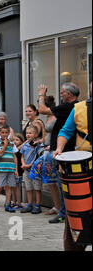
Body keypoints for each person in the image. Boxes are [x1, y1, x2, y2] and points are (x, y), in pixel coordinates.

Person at [53, 80, 92, 251]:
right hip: (81, 168)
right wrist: (59, 148)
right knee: (76, 209)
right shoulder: (80, 108)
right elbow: (66, 131)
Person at [37, 83, 79, 224]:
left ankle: (64, 213)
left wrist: (42, 94)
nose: (61, 94)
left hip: (64, 153)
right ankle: (64, 212)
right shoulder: (72, 107)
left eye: (62, 92)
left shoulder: (68, 107)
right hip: (59, 150)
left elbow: (41, 109)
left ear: (69, 94)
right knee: (61, 183)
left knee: (63, 184)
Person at [0, 124, 19, 213]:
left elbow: (14, 157)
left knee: (9, 187)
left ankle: (7, 204)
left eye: (6, 132)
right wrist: (5, 145)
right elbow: (0, 154)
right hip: (2, 169)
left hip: (10, 168)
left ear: (9, 133)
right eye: (2, 132)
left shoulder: (12, 144)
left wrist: (16, 169)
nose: (4, 134)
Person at [20, 125, 45, 214]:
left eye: (30, 133)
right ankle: (30, 204)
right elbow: (22, 156)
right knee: (29, 188)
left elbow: (40, 157)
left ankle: (37, 205)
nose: (28, 135)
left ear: (36, 134)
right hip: (26, 170)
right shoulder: (25, 145)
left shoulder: (39, 145)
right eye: (27, 133)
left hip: (35, 171)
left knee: (37, 188)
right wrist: (23, 164)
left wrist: (30, 165)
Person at [11, 133, 25, 209]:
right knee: (12, 187)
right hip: (12, 169)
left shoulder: (20, 149)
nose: (15, 141)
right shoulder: (12, 148)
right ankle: (14, 202)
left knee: (17, 186)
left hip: (18, 170)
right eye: (13, 140)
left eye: (17, 140)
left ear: (21, 141)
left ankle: (19, 203)